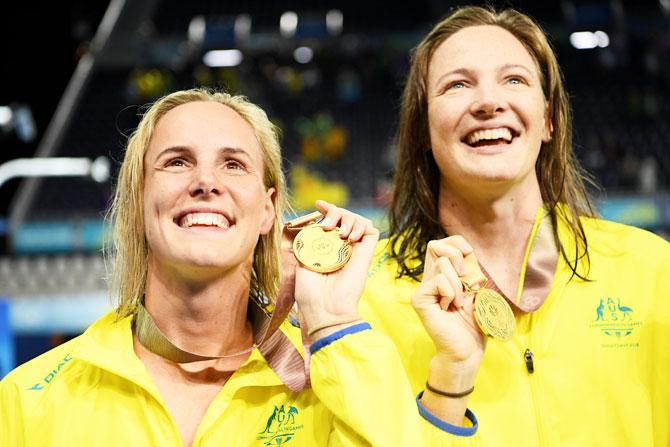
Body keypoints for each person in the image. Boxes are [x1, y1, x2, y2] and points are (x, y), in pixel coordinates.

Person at [0, 89, 454, 445]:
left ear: (267, 209)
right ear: (140, 200)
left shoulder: (334, 387)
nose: (205, 182)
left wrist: (335, 322)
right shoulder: (28, 398)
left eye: (233, 164)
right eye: (177, 162)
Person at [361, 5, 670, 446]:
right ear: (424, 131)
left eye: (514, 80)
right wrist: (447, 383)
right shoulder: (364, 300)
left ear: (547, 119)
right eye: (457, 84)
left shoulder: (654, 271)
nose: (488, 102)